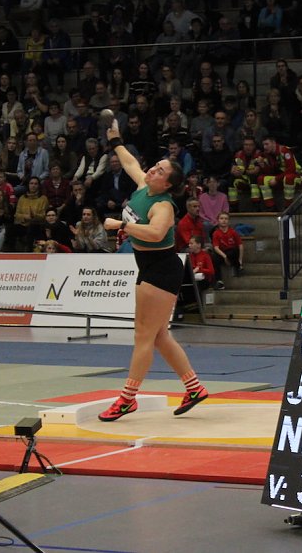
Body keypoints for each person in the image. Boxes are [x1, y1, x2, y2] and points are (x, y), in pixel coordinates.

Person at [97, 120, 209, 422]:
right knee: (158, 336)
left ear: (167, 184)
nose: (152, 171)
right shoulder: (145, 186)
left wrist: (122, 225)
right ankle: (194, 388)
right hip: (150, 267)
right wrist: (116, 140)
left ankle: (127, 399)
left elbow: (158, 233)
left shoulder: (164, 205)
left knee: (143, 337)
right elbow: (131, 161)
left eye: (160, 171)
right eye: (155, 166)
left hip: (161, 270)